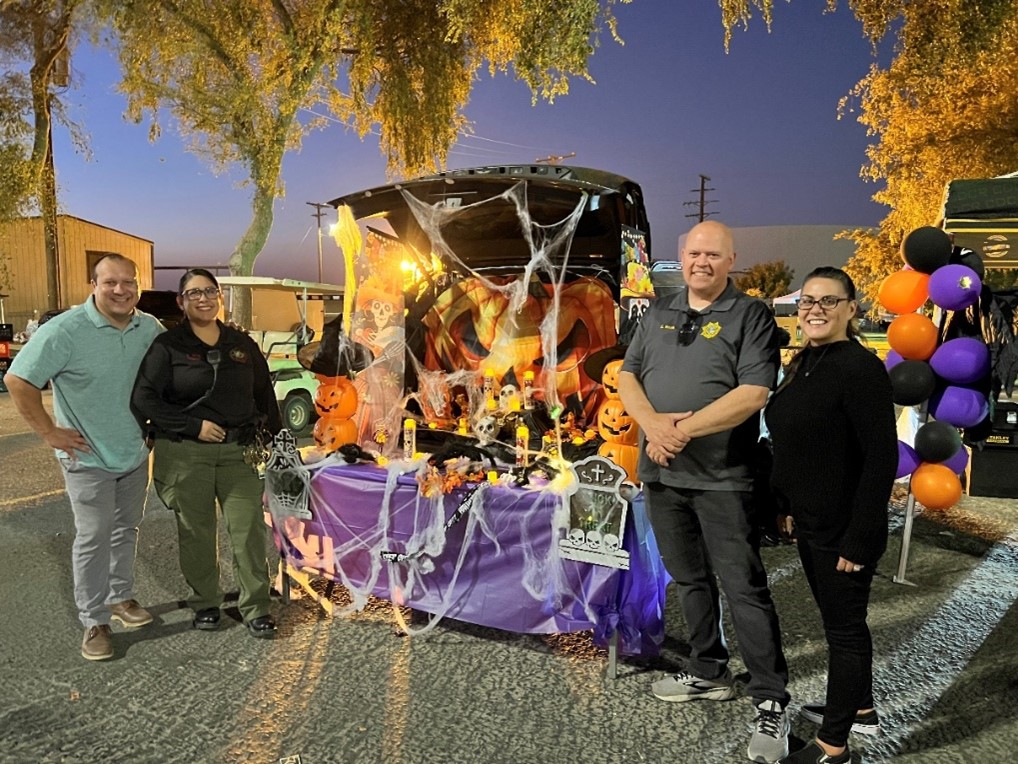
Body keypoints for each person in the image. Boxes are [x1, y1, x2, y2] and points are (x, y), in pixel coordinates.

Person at [619, 220, 791, 764]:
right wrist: (652, 426)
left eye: (713, 255)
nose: (702, 262)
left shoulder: (751, 315)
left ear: (731, 259)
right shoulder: (661, 312)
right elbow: (627, 376)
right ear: (681, 256)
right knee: (690, 579)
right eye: (694, 253)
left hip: (723, 478)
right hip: (663, 475)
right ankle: (708, 670)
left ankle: (771, 699)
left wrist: (679, 431)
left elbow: (753, 392)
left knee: (743, 588)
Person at [764, 267, 896, 764]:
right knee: (837, 622)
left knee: (844, 630)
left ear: (850, 308)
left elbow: (880, 458)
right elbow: (800, 445)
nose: (815, 309)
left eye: (828, 301)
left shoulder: (860, 368)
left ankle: (833, 746)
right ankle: (858, 706)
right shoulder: (807, 362)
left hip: (845, 528)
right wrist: (787, 506)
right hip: (814, 520)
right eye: (807, 301)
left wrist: (861, 536)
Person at [4, 254, 163, 661]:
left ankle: (120, 597)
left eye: (128, 282)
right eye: (110, 282)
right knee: (93, 537)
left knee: (126, 528)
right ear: (93, 284)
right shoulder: (65, 331)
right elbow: (18, 379)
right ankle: (94, 621)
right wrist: (49, 432)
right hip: (87, 457)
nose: (120, 289)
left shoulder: (149, 328)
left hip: (134, 451)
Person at [130, 269, 282, 639]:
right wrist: (191, 425)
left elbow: (264, 395)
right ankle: (206, 603)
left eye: (210, 290)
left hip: (238, 452)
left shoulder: (241, 345)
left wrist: (277, 442)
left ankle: (256, 606)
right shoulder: (168, 347)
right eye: (193, 292)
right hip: (187, 454)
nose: (204, 298)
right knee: (196, 532)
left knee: (247, 531)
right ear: (181, 301)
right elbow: (144, 398)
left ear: (220, 297)